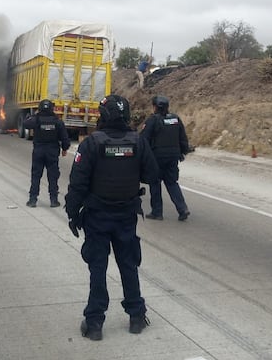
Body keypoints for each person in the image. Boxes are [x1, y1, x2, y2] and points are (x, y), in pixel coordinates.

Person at [64, 94, 159, 341]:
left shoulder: (91, 144)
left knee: (98, 268)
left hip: (97, 216)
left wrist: (72, 213)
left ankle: (94, 323)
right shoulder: (138, 142)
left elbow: (78, 183)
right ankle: (136, 316)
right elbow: (151, 175)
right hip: (126, 215)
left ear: (103, 116)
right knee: (129, 265)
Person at [140, 95, 191, 221]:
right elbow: (183, 138)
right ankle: (182, 208)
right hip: (173, 157)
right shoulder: (175, 119)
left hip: (156, 158)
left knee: (155, 183)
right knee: (172, 183)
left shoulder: (152, 120)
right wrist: (183, 152)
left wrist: (142, 157)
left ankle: (157, 212)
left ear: (155, 107)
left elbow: (144, 140)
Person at [23, 99, 69, 208]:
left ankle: (32, 200)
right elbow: (65, 138)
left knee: (36, 176)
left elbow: (25, 124)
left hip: (38, 151)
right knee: (53, 176)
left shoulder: (36, 119)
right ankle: (54, 200)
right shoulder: (57, 121)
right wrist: (64, 149)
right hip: (52, 152)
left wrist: (31, 116)